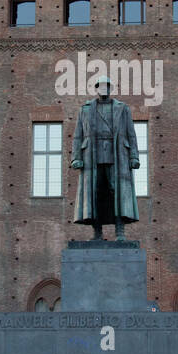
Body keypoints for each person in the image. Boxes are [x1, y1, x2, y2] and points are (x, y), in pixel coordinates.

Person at [70, 75, 141, 241]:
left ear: (110, 88)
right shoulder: (85, 109)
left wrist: (134, 156)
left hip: (117, 155)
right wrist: (76, 157)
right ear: (96, 89)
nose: (104, 89)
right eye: (100, 86)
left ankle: (120, 232)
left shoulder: (122, 109)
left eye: (106, 86)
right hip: (92, 156)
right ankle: (97, 233)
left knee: (117, 193)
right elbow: (78, 136)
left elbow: (132, 135)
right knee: (96, 193)